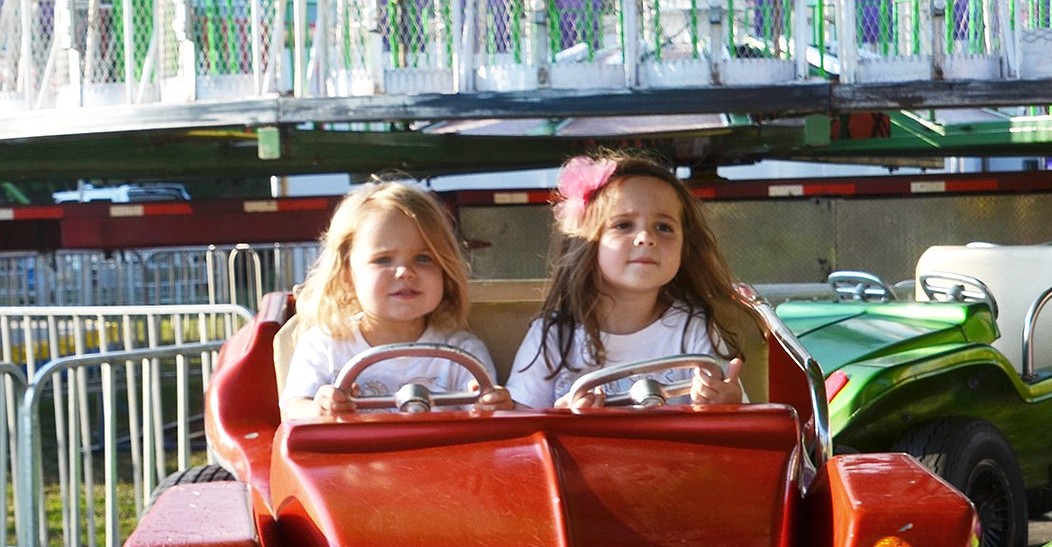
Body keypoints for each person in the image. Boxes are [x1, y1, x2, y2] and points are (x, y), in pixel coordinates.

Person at [506, 150, 748, 409]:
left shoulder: (692, 328)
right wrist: (561, 417)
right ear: (588, 242)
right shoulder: (554, 334)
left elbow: (737, 428)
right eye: (623, 225)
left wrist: (726, 403)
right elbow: (519, 423)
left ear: (685, 249)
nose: (645, 237)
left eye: (664, 227)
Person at [280, 178, 512, 418]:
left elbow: (484, 422)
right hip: (356, 454)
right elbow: (293, 408)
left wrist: (491, 404)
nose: (405, 272)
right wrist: (320, 408)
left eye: (424, 258)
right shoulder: (325, 345)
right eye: (383, 260)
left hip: (441, 453)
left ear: (445, 269)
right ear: (347, 273)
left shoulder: (462, 351)